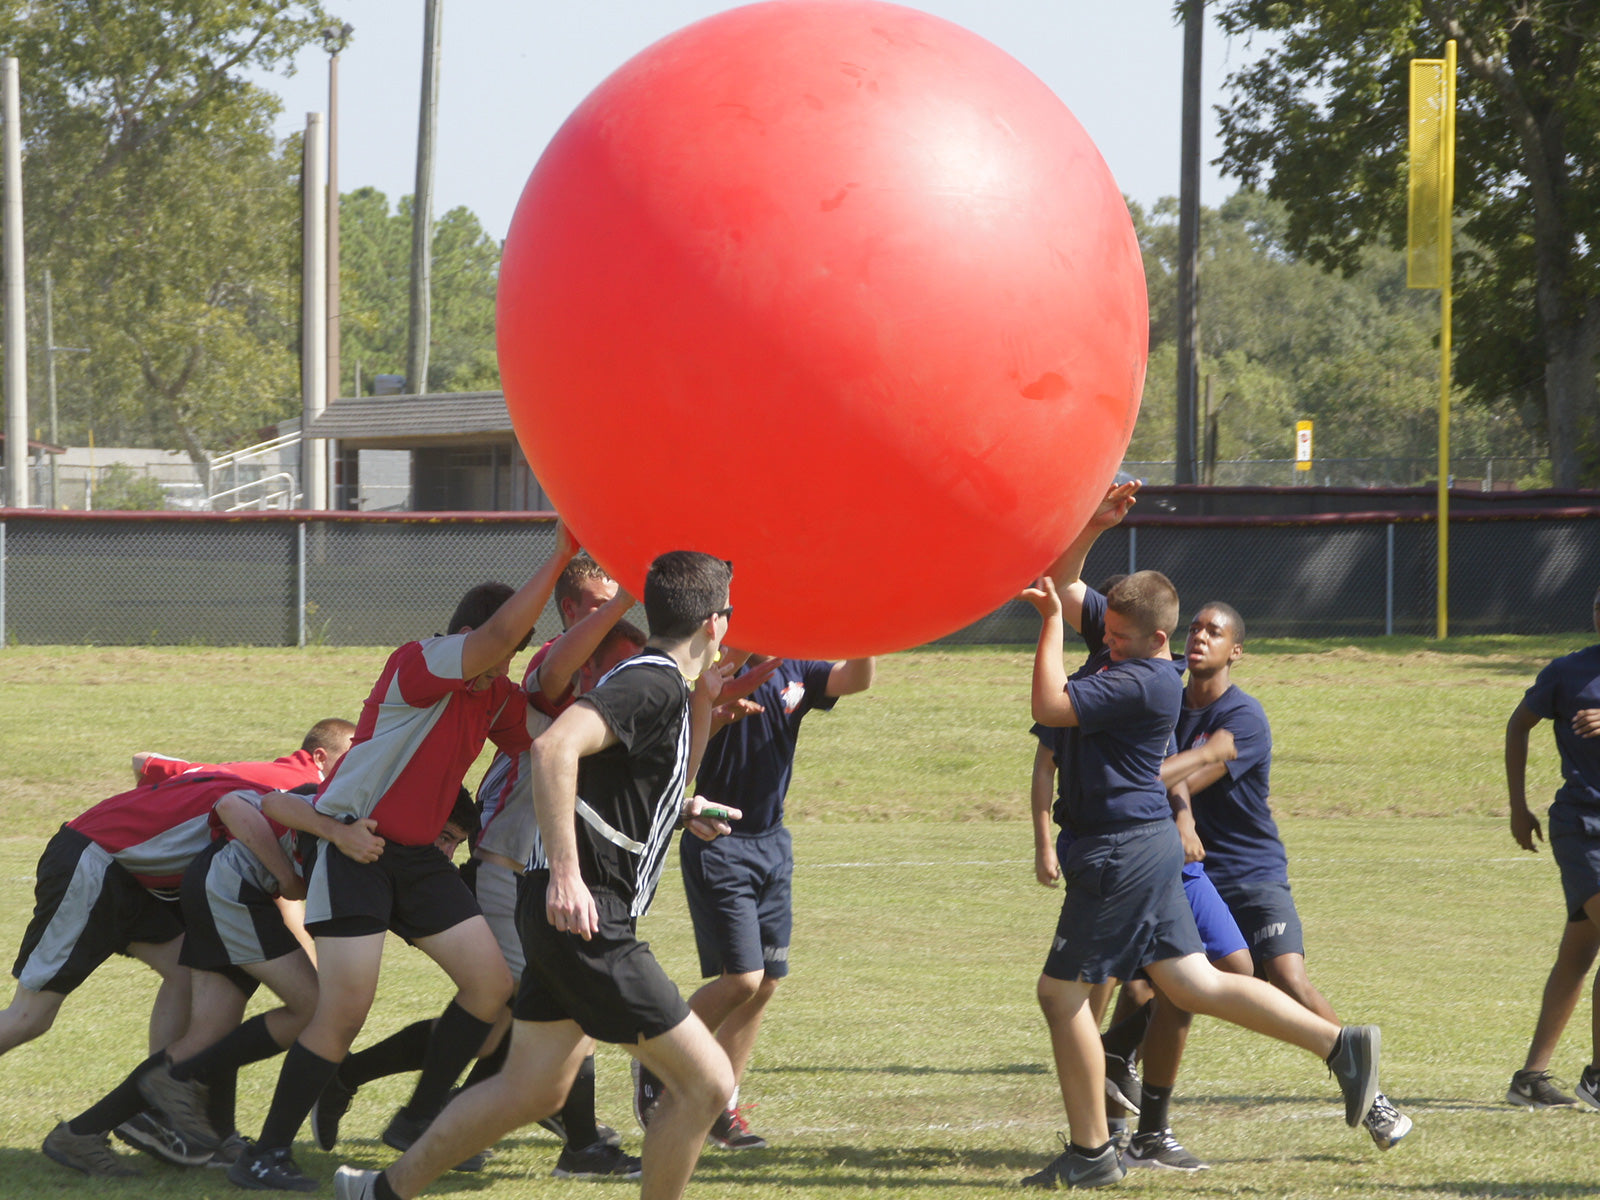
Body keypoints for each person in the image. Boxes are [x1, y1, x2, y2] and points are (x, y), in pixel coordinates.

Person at [331, 550, 743, 1200]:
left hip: (567, 916)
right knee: (707, 1083)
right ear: (716, 624)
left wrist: (698, 742)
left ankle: (381, 1192)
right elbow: (554, 747)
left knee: (531, 1088)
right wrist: (567, 877)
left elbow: (653, 782)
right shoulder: (651, 681)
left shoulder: (666, 686)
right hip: (589, 919)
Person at [224, 529, 580, 1191]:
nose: (500, 669)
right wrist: (561, 553)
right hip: (352, 847)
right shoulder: (418, 663)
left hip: (417, 860)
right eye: (494, 654)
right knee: (344, 1012)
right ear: (464, 637)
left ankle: (419, 1115)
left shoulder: (493, 694)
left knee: (492, 986)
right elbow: (500, 636)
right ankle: (265, 1153)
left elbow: (552, 737)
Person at [1019, 567, 1382, 1189]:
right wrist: (1093, 525)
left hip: (1119, 852)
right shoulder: (1123, 644)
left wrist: (1051, 621)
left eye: (1120, 637)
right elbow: (1066, 577)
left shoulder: (1146, 679)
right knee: (1193, 983)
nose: (1108, 643)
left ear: (1156, 638)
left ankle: (1091, 1153)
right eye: (1103, 632)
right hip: (1143, 846)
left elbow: (1050, 703)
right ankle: (1340, 1044)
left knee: (1060, 996)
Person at [310, 556, 643, 1182]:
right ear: (573, 611)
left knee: (503, 1016)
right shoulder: (549, 665)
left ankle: (405, 1099)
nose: (615, 638)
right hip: (505, 862)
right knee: (550, 1004)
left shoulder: (600, 688)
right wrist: (621, 600)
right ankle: (551, 1137)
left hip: (536, 864)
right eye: (597, 606)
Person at [46, 772, 379, 1177]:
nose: (448, 849)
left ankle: (83, 1132)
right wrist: (288, 877)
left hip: (224, 885)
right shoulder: (342, 798)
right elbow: (237, 806)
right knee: (314, 1009)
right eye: (446, 837)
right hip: (229, 886)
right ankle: (176, 1083)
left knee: (210, 1034)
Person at [1170, 600, 1412, 1150]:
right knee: (1166, 983)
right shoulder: (1168, 710)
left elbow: (1192, 775)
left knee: (1287, 979)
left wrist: (1157, 775)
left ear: (1236, 651)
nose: (1200, 637)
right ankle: (1127, 1085)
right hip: (1192, 875)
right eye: (1194, 628)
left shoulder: (1244, 717)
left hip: (1251, 873)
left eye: (1214, 631)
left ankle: (1371, 1097)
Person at [1, 720, 354, 1068]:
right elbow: (237, 815)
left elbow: (145, 761)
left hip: (123, 872)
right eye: (351, 759)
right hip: (95, 861)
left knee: (182, 974)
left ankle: (153, 1103)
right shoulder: (302, 786)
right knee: (30, 1016)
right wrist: (286, 881)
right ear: (320, 758)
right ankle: (156, 1099)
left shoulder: (247, 769)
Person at [635, 651, 874, 1150]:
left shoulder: (798, 666)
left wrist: (864, 632)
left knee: (764, 984)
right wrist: (718, 708)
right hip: (718, 839)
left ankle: (723, 1106)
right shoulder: (712, 668)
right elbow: (683, 747)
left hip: (773, 843)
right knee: (741, 978)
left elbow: (855, 678)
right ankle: (658, 1057)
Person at [1505, 584, 1600, 1110]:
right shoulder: (1566, 672)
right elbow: (1518, 726)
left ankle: (1530, 1080)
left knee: (1580, 953)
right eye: (1599, 604)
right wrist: (1519, 806)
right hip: (1582, 827)